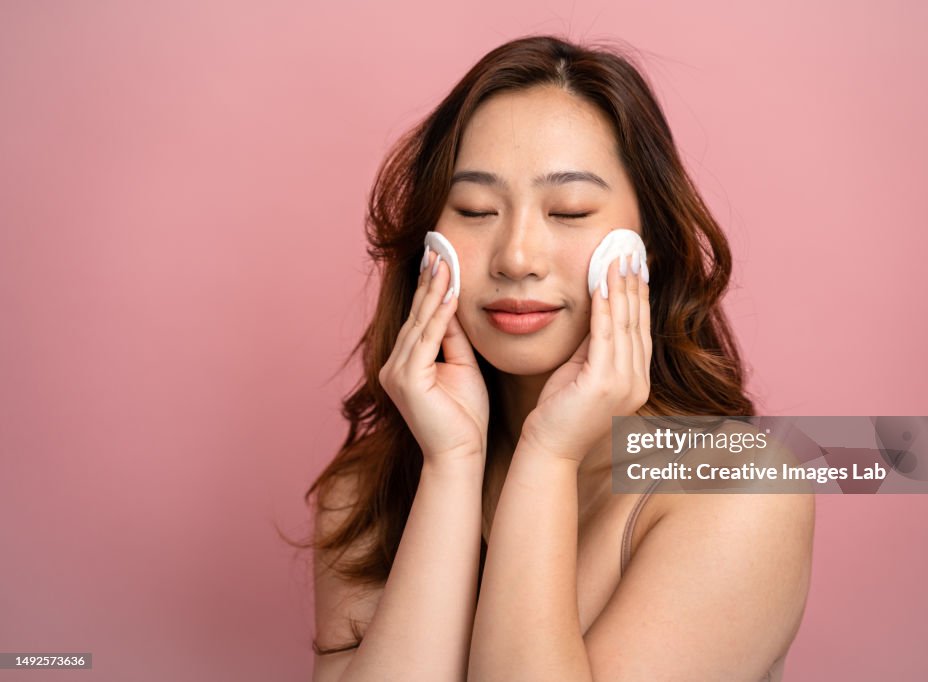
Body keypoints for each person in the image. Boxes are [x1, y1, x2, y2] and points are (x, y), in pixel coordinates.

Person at [305, 34, 814, 681]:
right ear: (430, 244)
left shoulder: (742, 488)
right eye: (475, 209)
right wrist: (452, 465)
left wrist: (549, 454)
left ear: (647, 245)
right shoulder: (364, 493)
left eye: (569, 210)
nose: (516, 257)